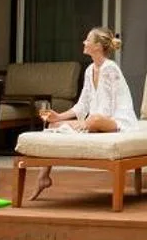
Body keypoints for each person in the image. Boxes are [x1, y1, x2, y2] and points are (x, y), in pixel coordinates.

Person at [30, 27, 137, 199]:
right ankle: (43, 177)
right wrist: (59, 116)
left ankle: (82, 128)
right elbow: (82, 105)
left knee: (93, 119)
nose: (84, 42)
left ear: (97, 46)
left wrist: (85, 124)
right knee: (53, 124)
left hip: (116, 121)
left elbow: (108, 109)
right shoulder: (89, 70)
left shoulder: (111, 69)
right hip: (93, 122)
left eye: (88, 40)